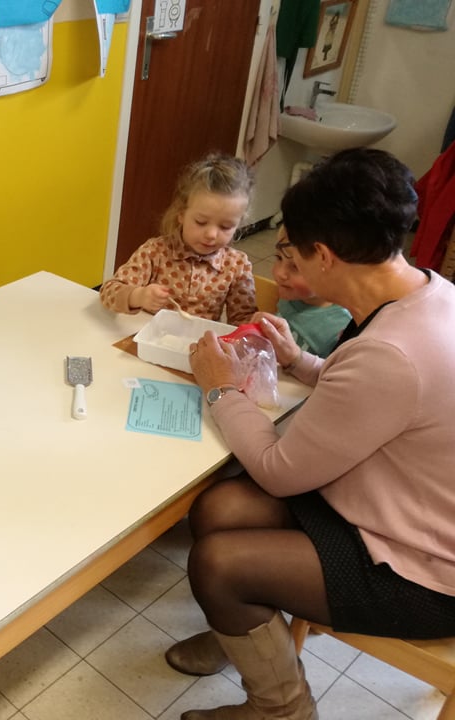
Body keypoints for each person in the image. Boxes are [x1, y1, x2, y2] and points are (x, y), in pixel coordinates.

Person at [165, 147, 455, 720]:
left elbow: (277, 469)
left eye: (292, 251)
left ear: (321, 254)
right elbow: (377, 398)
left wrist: (220, 387)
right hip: (393, 510)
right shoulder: (430, 293)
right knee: (219, 507)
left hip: (422, 570)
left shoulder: (392, 353)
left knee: (220, 563)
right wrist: (300, 360)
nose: (286, 265)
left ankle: (283, 710)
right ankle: (241, 633)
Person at [100, 152, 258, 325]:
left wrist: (258, 325)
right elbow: (108, 293)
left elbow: (242, 322)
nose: (211, 234)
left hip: (200, 347)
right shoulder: (155, 252)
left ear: (239, 224)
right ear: (181, 214)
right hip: (147, 340)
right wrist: (139, 296)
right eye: (201, 222)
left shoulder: (237, 266)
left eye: (225, 227)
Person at [269, 225, 350, 357]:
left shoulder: (341, 327)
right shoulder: (291, 293)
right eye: (279, 258)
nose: (279, 273)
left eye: (296, 266)